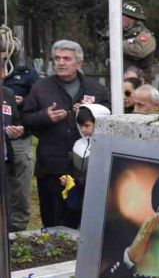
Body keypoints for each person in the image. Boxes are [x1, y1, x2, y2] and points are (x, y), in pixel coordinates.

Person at [22, 40, 109, 227]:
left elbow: (110, 120)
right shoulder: (41, 87)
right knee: (52, 221)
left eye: (67, 59)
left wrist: (91, 115)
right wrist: (45, 116)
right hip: (51, 167)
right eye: (57, 58)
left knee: (86, 222)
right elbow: (26, 120)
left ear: (79, 64)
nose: (61, 63)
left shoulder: (95, 89)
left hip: (86, 168)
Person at [1, 47, 33, 231]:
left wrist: (15, 130)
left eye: (6, 63)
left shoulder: (7, 94)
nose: (5, 70)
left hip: (5, 165)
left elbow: (14, 122)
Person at [61, 104, 111, 223]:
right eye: (80, 126)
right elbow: (70, 167)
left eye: (87, 125)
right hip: (77, 197)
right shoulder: (78, 144)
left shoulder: (107, 147)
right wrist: (67, 178)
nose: (83, 130)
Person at [121, 0, 156, 70]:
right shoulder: (121, 34)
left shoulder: (145, 35)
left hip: (138, 78)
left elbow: (139, 51)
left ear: (132, 20)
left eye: (124, 16)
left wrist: (116, 43)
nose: (120, 18)